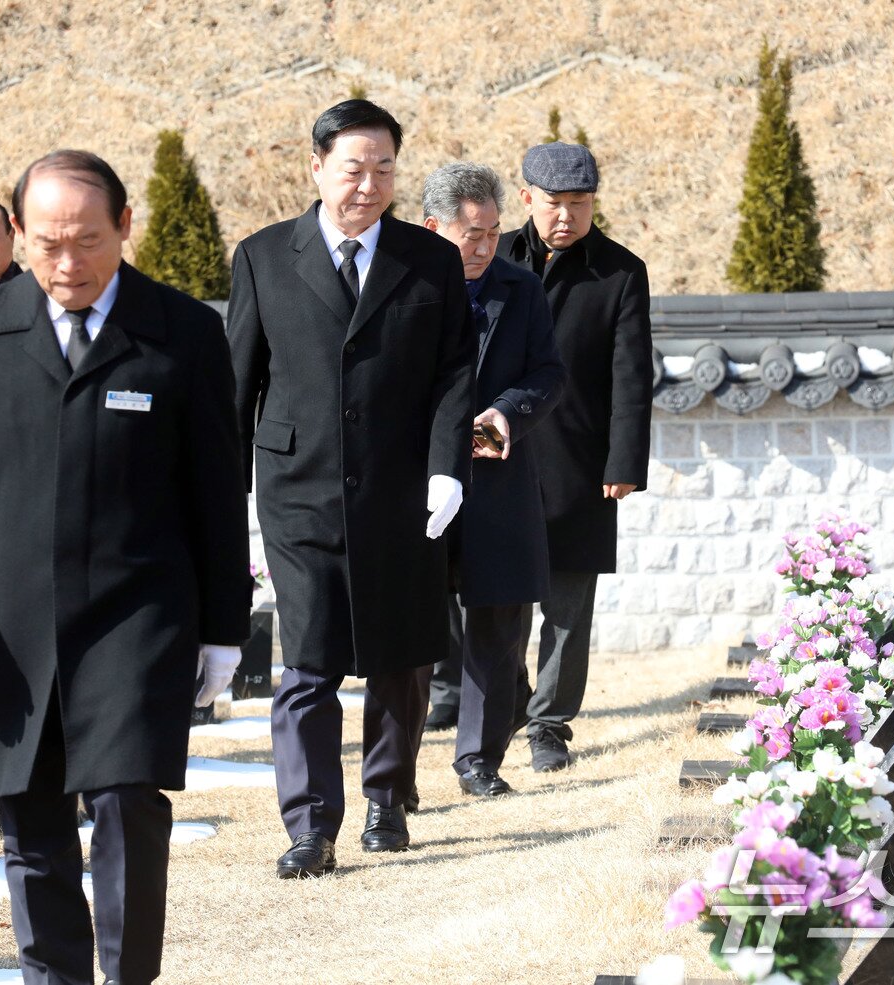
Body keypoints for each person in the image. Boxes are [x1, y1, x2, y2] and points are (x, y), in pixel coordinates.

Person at [0, 150, 250, 985]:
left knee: (127, 801)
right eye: (47, 242)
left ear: (125, 227)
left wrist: (225, 629)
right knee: (31, 818)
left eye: (88, 241)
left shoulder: (183, 330)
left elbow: (216, 489)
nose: (67, 262)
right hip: (12, 622)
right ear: (16, 234)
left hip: (139, 612)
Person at [228, 100, 474, 877]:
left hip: (403, 488)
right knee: (307, 661)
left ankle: (386, 800)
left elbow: (455, 372)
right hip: (298, 490)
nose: (369, 185)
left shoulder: (429, 260)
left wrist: (446, 466)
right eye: (353, 168)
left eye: (384, 169)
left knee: (401, 656)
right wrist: (222, 500)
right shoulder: (264, 256)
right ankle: (310, 825)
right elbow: (239, 382)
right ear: (317, 169)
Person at [499, 142, 653, 773]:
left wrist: (623, 463)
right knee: (492, 596)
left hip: (580, 458)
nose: (566, 216)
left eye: (580, 204)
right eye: (554, 203)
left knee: (568, 604)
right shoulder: (492, 256)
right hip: (496, 452)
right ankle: (506, 701)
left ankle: (550, 723)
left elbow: (631, 375)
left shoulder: (619, 272)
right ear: (527, 197)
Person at [422, 163, 564, 796]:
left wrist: (507, 412)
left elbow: (548, 374)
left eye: (491, 233)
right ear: (432, 227)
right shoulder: (401, 285)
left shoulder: (522, 287)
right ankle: (394, 777)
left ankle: (478, 760)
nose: (483, 247)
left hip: (499, 478)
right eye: (468, 234)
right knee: (413, 622)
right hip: (419, 478)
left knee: (500, 616)